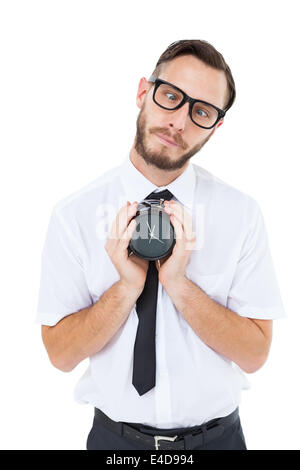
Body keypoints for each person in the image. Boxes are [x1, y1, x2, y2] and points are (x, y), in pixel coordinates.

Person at [36, 39, 285, 450]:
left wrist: (179, 285)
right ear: (143, 92)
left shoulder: (241, 214)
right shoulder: (74, 215)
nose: (179, 122)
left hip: (218, 441)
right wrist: (126, 288)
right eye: (171, 96)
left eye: (201, 111)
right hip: (116, 443)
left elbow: (255, 355)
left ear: (216, 126)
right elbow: (60, 356)